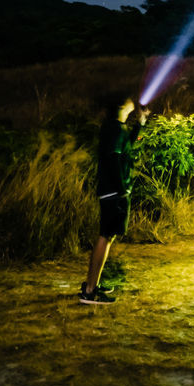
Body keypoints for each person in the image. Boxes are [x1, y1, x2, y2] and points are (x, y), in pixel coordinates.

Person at [80, 95, 149, 304]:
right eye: (129, 101)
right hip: (114, 192)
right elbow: (114, 160)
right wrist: (122, 191)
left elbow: (130, 145)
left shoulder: (115, 128)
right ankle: (90, 291)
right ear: (121, 106)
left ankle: (92, 285)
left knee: (106, 236)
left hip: (109, 191)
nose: (133, 102)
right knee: (105, 236)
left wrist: (141, 123)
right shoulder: (116, 130)